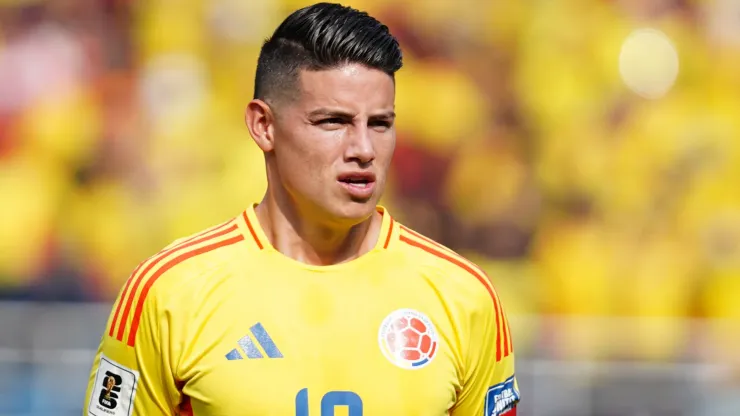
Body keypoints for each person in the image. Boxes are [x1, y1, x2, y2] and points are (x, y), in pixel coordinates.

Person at [84, 3, 519, 415]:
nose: (364, 149)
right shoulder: (170, 293)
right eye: (333, 122)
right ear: (264, 125)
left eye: (381, 124)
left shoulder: (465, 298)